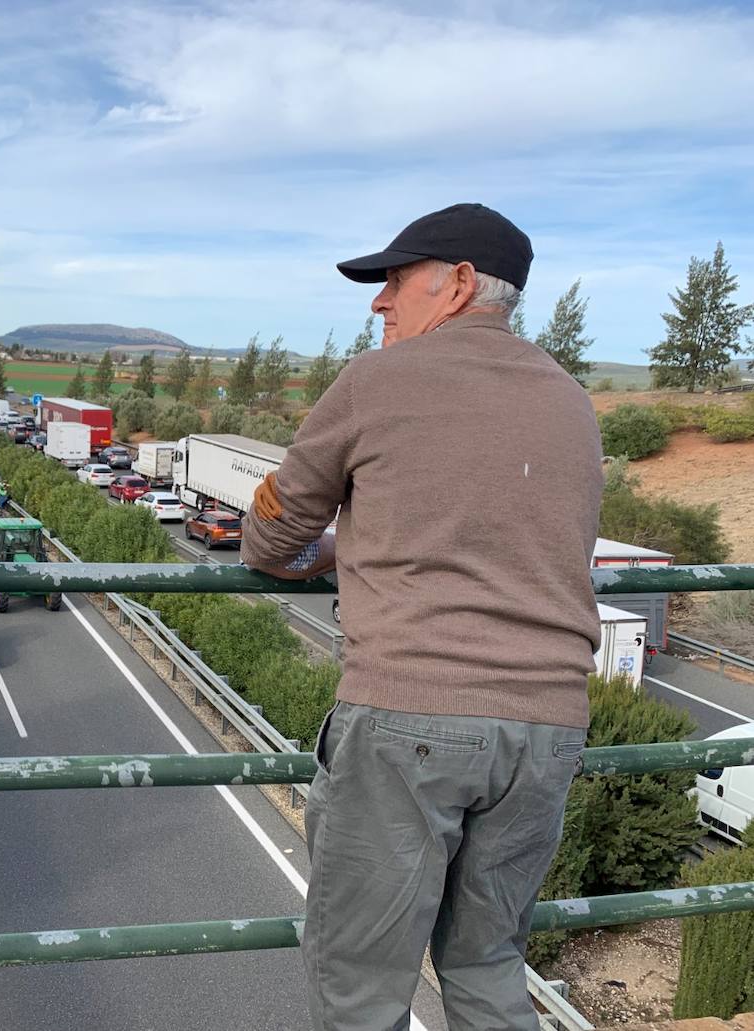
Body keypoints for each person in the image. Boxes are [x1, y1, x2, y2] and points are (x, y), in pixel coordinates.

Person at [240, 203, 602, 1030]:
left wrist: (338, 544)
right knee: (487, 967)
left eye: (396, 280)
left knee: (360, 988)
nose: (379, 301)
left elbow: (268, 537)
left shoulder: (376, 383)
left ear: (461, 283)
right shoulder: (573, 401)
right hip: (546, 734)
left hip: (412, 718)